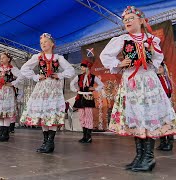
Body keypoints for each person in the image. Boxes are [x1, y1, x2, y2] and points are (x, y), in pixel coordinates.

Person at [100, 6, 176, 172]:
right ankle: (140, 156)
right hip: (131, 81)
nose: (127, 21)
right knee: (136, 118)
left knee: (147, 117)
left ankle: (148, 158)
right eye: (125, 19)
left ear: (141, 20)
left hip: (147, 81)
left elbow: (158, 58)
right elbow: (105, 56)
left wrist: (152, 63)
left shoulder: (151, 40)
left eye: (131, 18)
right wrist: (119, 64)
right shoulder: (122, 39)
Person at [20, 33, 75, 153]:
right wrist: (35, 77)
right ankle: (45, 142)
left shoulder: (58, 58)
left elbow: (71, 70)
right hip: (42, 87)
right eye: (41, 43)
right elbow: (24, 68)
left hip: (54, 88)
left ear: (52, 44)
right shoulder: (37, 57)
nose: (43, 44)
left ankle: (50, 142)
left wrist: (60, 75)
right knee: (43, 114)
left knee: (52, 113)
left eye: (45, 41)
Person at [0, 52, 23, 142]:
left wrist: (13, 83)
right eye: (1, 58)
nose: (1, 59)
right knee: (1, 113)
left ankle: (5, 134)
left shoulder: (13, 69)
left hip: (8, 91)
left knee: (6, 113)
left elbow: (21, 77)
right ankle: (1, 133)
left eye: (3, 57)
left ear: (8, 59)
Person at [70, 59, 104, 143]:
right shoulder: (78, 76)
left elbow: (101, 85)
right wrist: (76, 89)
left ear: (87, 67)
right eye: (81, 66)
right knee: (81, 116)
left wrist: (94, 88)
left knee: (88, 116)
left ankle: (88, 136)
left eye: (83, 67)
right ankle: (84, 136)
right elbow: (72, 84)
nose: (82, 68)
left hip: (88, 96)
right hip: (80, 96)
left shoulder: (93, 77)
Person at [156, 62, 174, 151]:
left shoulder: (166, 79)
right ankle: (163, 142)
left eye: (160, 67)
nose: (158, 69)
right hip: (159, 103)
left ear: (164, 69)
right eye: (157, 67)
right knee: (160, 123)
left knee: (167, 122)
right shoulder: (156, 79)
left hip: (165, 103)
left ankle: (169, 143)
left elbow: (168, 91)